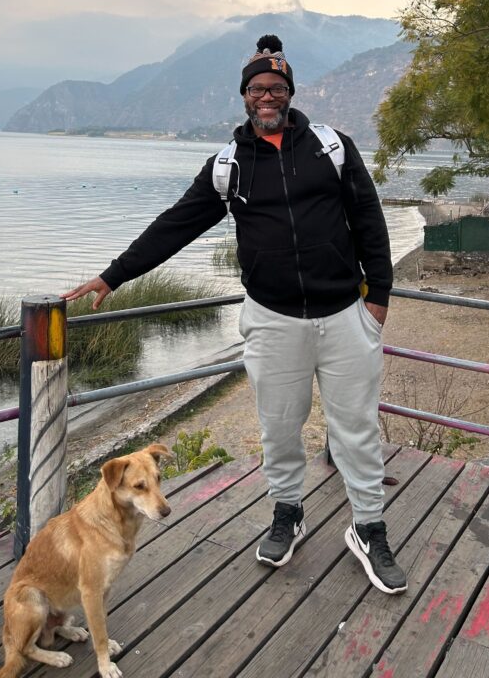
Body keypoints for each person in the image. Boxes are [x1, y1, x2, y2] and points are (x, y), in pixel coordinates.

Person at [63, 34, 407, 595]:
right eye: (256, 89)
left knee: (357, 429)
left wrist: (379, 298)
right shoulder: (228, 165)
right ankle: (287, 513)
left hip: (345, 314)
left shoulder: (332, 145)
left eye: (275, 88)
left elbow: (368, 218)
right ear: (244, 96)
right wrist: (114, 274)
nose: (265, 96)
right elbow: (176, 225)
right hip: (272, 320)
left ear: (289, 93)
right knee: (279, 428)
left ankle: (369, 527)